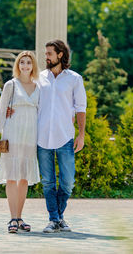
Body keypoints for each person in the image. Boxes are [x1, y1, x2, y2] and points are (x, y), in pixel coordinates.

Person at [37, 40, 86, 233]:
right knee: (48, 182)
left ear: (60, 55)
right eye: (46, 53)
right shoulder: (39, 78)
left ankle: (57, 218)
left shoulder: (74, 79)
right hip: (42, 137)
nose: (46, 57)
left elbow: (81, 108)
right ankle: (55, 218)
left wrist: (81, 135)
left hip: (65, 136)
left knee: (68, 182)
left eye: (49, 53)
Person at [0, 51, 40, 233]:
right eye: (22, 63)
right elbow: (1, 110)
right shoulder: (10, 85)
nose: (25, 66)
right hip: (12, 134)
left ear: (33, 65)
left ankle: (20, 218)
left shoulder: (39, 87)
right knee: (11, 177)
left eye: (28, 62)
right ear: (17, 65)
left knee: (24, 178)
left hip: (30, 136)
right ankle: (12, 218)